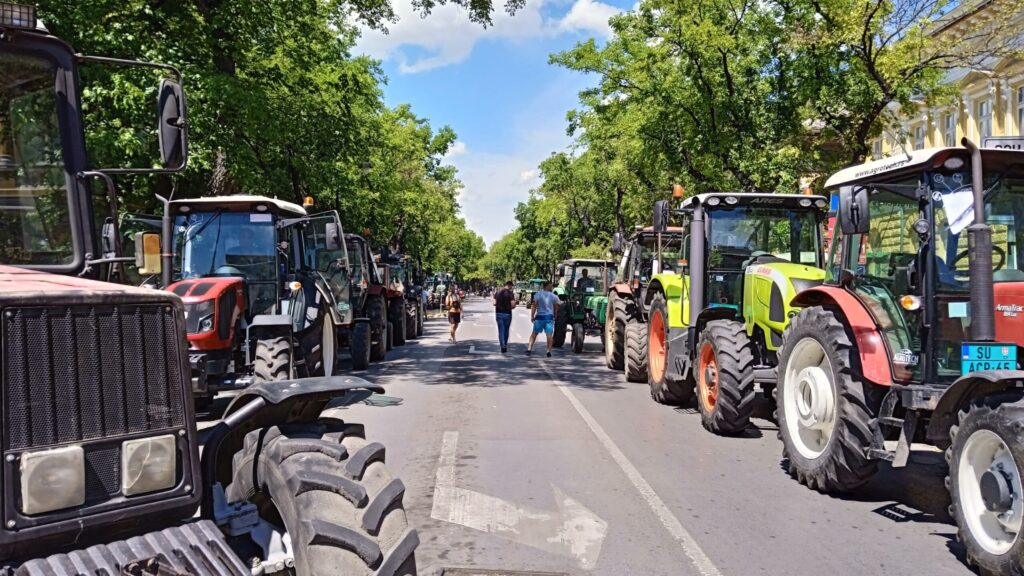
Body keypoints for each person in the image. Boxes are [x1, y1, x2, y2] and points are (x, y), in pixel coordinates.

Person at [527, 280, 559, 357]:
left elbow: (534, 305)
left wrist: (532, 316)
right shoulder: (554, 296)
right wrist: (555, 315)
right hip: (549, 317)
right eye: (551, 286)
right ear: (547, 286)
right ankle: (548, 351)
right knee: (549, 334)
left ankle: (529, 348)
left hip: (539, 317)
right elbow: (556, 306)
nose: (552, 287)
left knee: (534, 333)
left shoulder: (538, 294)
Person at [493, 280, 516, 353]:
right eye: (511, 286)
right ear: (509, 285)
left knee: (501, 330)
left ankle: (502, 345)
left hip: (499, 313)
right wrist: (512, 307)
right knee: (506, 330)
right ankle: (505, 344)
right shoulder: (510, 293)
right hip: (507, 314)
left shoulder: (498, 292)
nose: (511, 288)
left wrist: (499, 304)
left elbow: (494, 303)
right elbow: (513, 304)